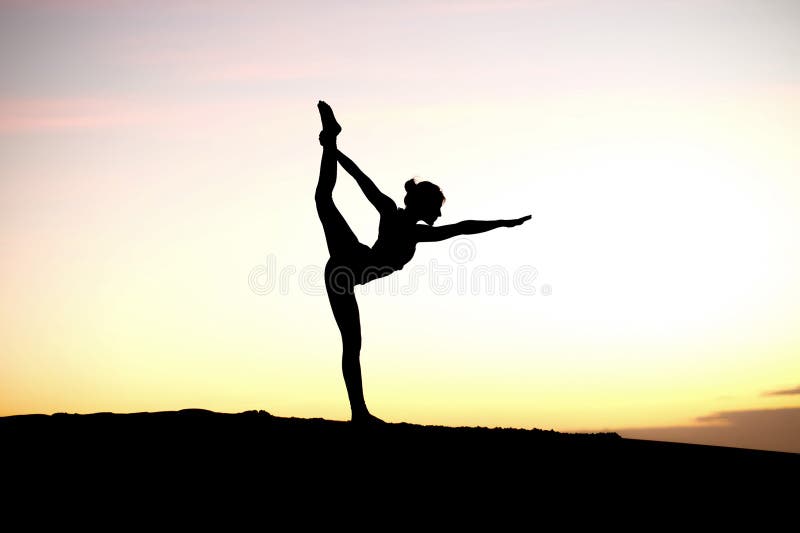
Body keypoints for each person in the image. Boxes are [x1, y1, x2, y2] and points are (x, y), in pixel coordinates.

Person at [315, 100, 532, 424]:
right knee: (352, 345)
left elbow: (460, 226)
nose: (440, 214)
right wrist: (504, 223)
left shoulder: (397, 217)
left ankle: (331, 136)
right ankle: (359, 413)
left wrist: (333, 149)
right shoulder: (409, 229)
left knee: (323, 199)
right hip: (345, 271)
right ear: (424, 206)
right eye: (437, 208)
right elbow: (462, 227)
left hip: (350, 261)